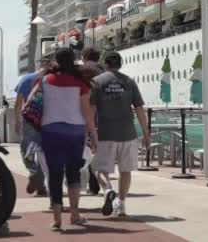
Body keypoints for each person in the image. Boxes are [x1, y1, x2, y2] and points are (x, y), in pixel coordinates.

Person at [29, 48, 98, 230]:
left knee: (55, 174)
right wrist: (94, 135)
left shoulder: (45, 80)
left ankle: (57, 219)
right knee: (73, 173)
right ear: (73, 60)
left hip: (50, 131)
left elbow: (30, 100)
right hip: (75, 132)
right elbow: (86, 113)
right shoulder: (80, 82)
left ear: (56, 61)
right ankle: (74, 214)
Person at [91, 51, 150, 217]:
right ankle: (121, 205)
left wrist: (89, 131)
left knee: (101, 169)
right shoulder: (129, 81)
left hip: (105, 133)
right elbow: (139, 109)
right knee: (126, 170)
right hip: (128, 133)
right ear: (120, 64)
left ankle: (108, 190)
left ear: (105, 64)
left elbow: (91, 109)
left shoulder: (97, 81)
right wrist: (146, 133)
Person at [13, 56, 52, 196]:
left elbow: (18, 103)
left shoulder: (26, 79)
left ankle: (34, 174)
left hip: (30, 118)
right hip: (47, 119)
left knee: (26, 150)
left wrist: (17, 121)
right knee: (42, 152)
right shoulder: (53, 79)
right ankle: (40, 185)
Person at [80, 47, 103, 195]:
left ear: (84, 56)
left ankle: (93, 184)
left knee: (86, 149)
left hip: (86, 111)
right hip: (102, 113)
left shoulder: (82, 70)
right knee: (98, 149)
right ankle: (98, 179)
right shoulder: (103, 70)